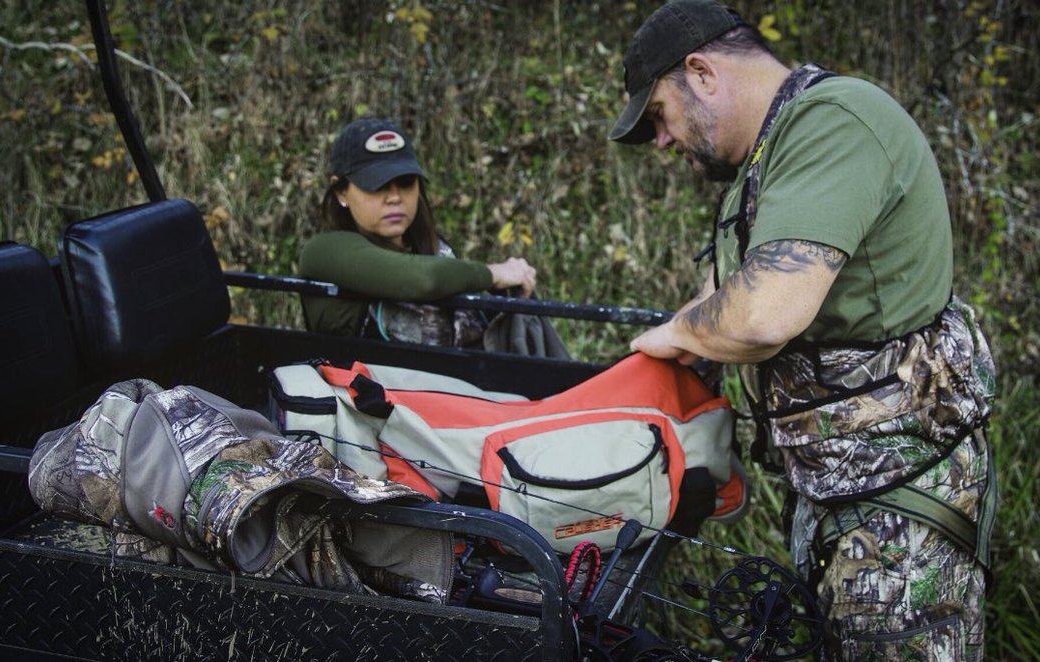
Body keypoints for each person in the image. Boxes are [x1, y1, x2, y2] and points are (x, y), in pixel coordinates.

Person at [611, 1, 997, 660]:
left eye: (659, 116)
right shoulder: (771, 158)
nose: (665, 141)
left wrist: (678, 332)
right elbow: (731, 290)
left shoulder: (832, 122)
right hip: (837, 489)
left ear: (702, 73)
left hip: (899, 506)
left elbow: (765, 312)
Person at [299, 116, 537, 347]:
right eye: (376, 186)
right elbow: (425, 279)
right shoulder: (323, 252)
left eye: (405, 183)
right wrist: (493, 273)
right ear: (341, 192)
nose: (394, 198)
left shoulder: (437, 252)